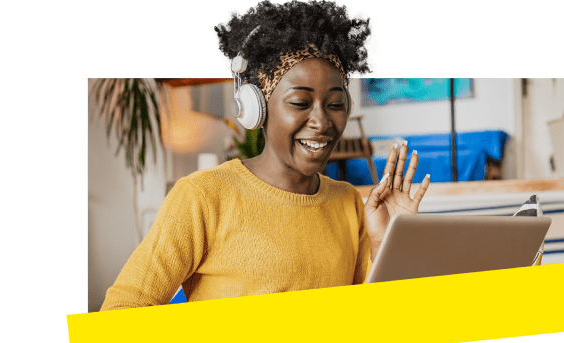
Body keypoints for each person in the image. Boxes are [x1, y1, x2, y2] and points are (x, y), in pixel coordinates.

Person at [100, 0, 430, 311]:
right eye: (300, 102)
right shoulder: (202, 197)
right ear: (256, 108)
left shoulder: (347, 202)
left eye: (335, 104)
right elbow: (121, 315)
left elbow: (373, 321)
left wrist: (387, 243)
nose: (322, 121)